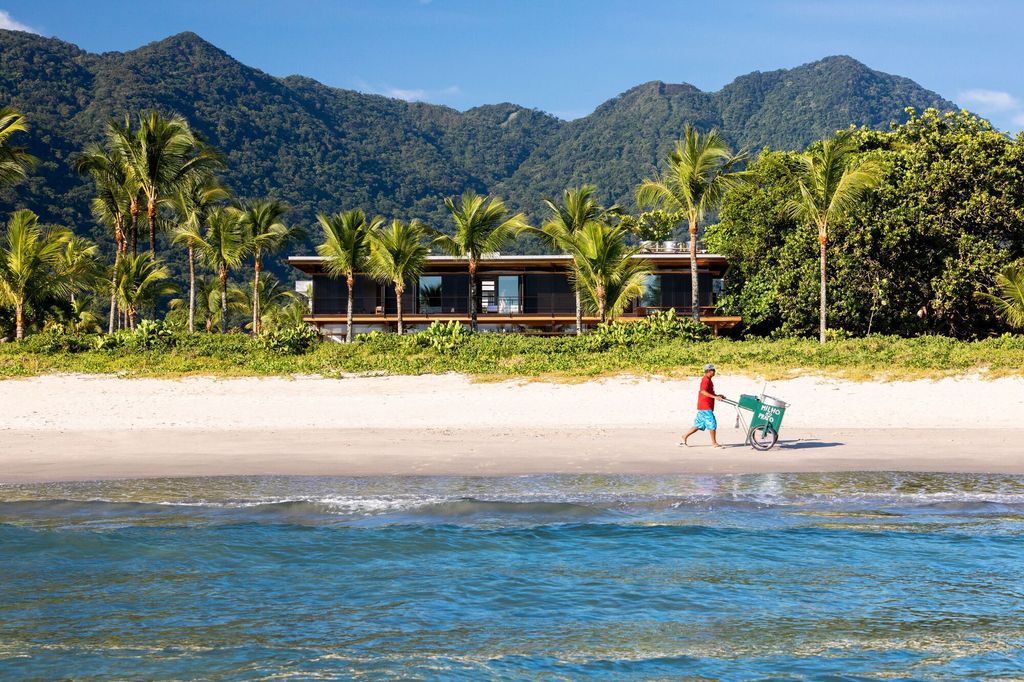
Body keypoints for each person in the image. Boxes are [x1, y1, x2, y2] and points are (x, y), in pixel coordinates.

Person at [680, 363, 726, 448]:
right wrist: (715, 397)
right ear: (708, 371)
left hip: (704, 406)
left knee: (699, 425)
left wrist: (718, 395)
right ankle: (714, 443)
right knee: (712, 423)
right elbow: (703, 391)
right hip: (705, 406)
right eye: (713, 370)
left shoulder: (709, 380)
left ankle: (684, 436)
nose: (714, 371)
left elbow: (710, 392)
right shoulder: (705, 380)